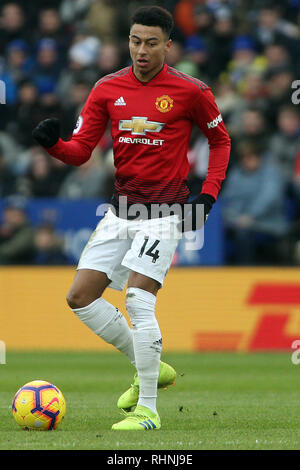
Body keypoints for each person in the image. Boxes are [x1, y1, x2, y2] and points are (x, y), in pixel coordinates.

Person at [32, 6, 231, 431]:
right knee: (79, 297)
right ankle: (151, 365)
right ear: (128, 41)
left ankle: (148, 411)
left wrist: (208, 195)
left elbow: (220, 140)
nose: (142, 50)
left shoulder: (190, 90)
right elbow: (81, 150)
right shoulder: (107, 88)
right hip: (121, 210)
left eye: (151, 42)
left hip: (165, 212)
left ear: (168, 45)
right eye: (135, 41)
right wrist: (53, 145)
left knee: (139, 299)